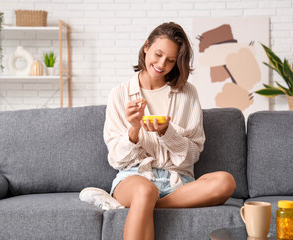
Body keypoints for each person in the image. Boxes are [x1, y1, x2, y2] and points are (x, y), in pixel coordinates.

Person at [80, 22, 236, 240]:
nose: (162, 64)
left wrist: (167, 133)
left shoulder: (188, 94)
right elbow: (116, 159)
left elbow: (192, 156)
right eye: (158, 54)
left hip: (177, 181)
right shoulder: (120, 93)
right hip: (134, 177)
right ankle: (143, 200)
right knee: (145, 191)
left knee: (225, 181)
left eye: (170, 60)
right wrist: (133, 130)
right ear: (146, 47)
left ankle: (148, 205)